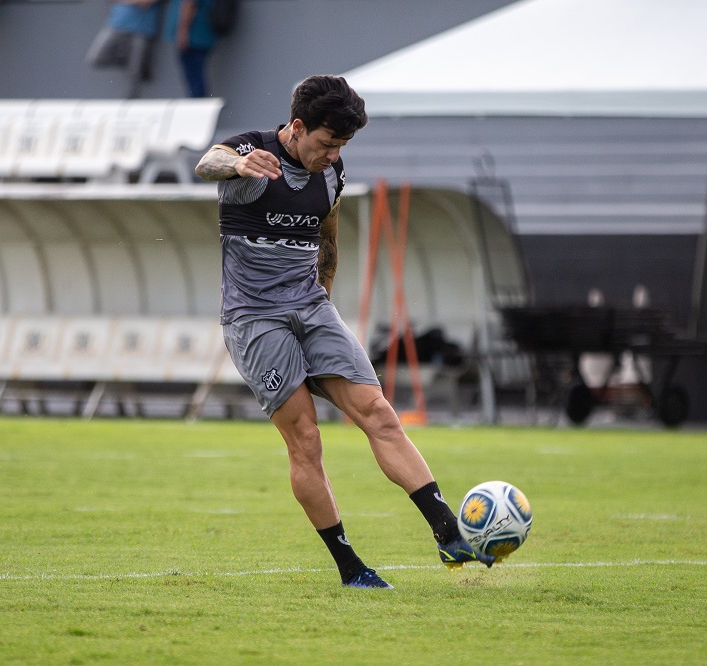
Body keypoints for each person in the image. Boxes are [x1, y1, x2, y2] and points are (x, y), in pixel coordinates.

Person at [195, 75, 495, 589]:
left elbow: (327, 242)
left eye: (342, 146)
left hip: (312, 309)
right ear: (297, 127)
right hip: (255, 318)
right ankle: (350, 567)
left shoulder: (331, 173)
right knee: (306, 439)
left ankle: (449, 534)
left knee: (378, 412)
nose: (333, 155)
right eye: (327, 143)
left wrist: (324, 307)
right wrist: (239, 165)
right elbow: (207, 163)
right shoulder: (252, 152)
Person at [87, 0, 165, 99]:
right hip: (117, 23)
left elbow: (145, 2)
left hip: (142, 29)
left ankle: (129, 103)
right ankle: (133, 62)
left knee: (135, 73)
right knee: (95, 58)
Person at [164, 0, 216, 98]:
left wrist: (182, 32)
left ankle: (198, 105)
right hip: (201, 37)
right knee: (195, 77)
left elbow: (190, 4)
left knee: (194, 78)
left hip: (194, 38)